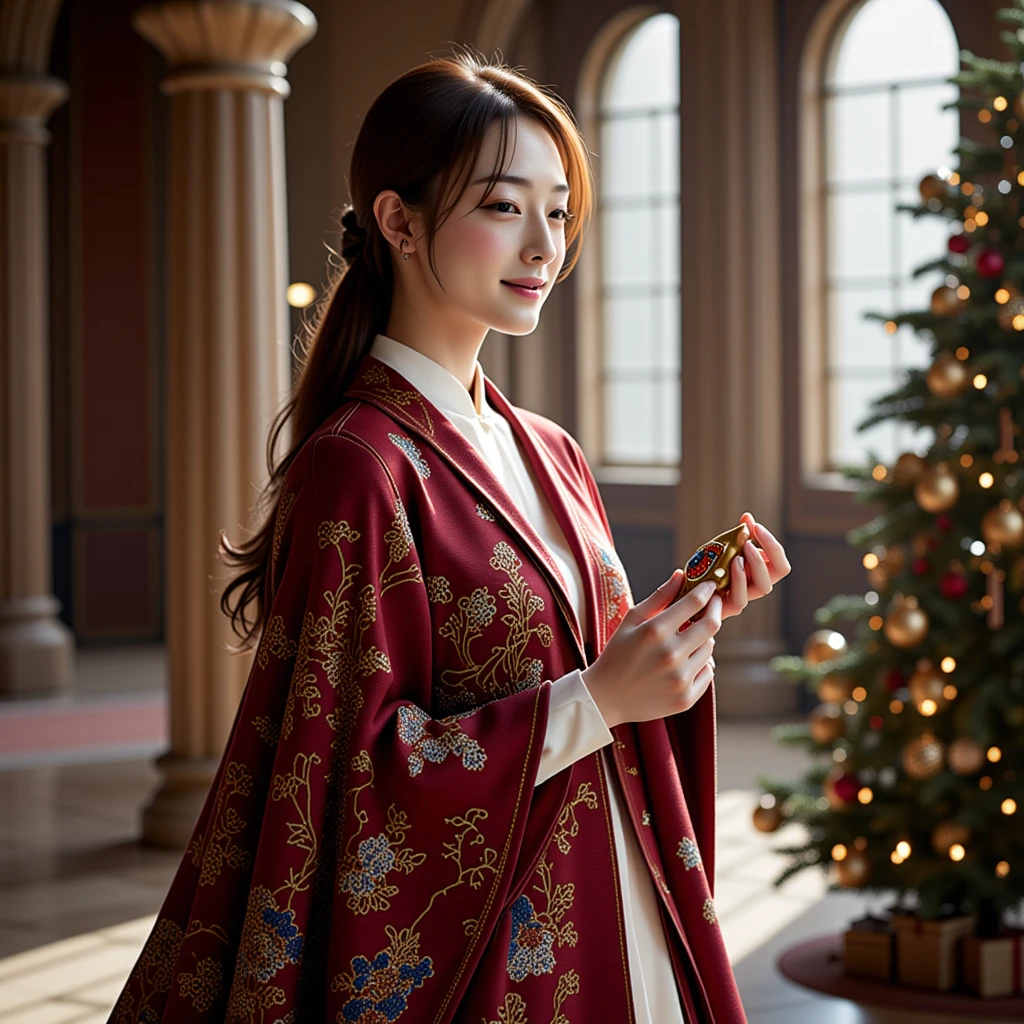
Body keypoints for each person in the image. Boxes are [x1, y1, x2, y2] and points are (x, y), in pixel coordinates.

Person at [110, 49, 790, 1024]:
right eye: (505, 207)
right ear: (399, 221)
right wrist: (598, 696)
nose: (544, 247)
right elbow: (352, 778)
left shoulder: (547, 448)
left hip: (609, 887)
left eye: (558, 212)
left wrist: (669, 626)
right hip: (489, 952)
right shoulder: (359, 465)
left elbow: (562, 660)